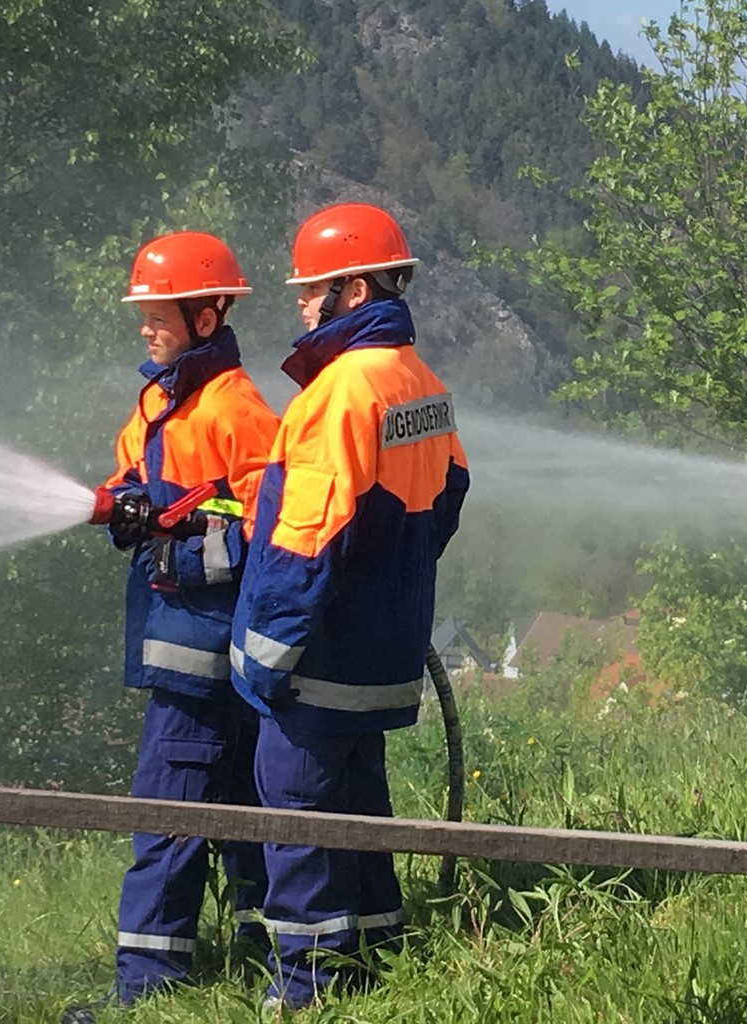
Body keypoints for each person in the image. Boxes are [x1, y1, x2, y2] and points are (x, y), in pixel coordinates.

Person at [232, 202, 470, 1010]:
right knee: (361, 808)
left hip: (322, 656)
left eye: (311, 291)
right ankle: (375, 959)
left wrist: (265, 656)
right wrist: (386, 586)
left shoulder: (341, 392)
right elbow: (445, 502)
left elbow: (305, 542)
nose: (300, 306)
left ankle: (305, 989)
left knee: (297, 815)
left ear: (354, 288)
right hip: (384, 652)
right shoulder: (422, 383)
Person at [66, 233, 278, 1022]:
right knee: (239, 812)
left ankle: (143, 995)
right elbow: (133, 479)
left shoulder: (235, 407)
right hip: (186, 641)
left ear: (208, 311)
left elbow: (272, 527)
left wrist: (185, 525)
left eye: (160, 311)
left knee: (166, 813)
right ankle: (263, 962)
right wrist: (123, 505)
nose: (147, 325)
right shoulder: (159, 403)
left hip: (210, 652)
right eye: (143, 311)